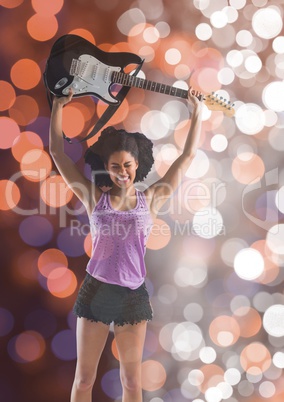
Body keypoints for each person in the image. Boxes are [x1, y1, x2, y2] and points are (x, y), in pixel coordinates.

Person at [49, 85, 203, 402]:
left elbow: (186, 157)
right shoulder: (94, 198)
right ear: (107, 167)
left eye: (128, 166)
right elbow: (57, 153)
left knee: (132, 383)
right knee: (84, 379)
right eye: (115, 167)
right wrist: (58, 106)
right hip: (97, 290)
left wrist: (198, 114)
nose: (122, 173)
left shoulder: (152, 200)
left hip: (132, 295)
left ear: (138, 165)